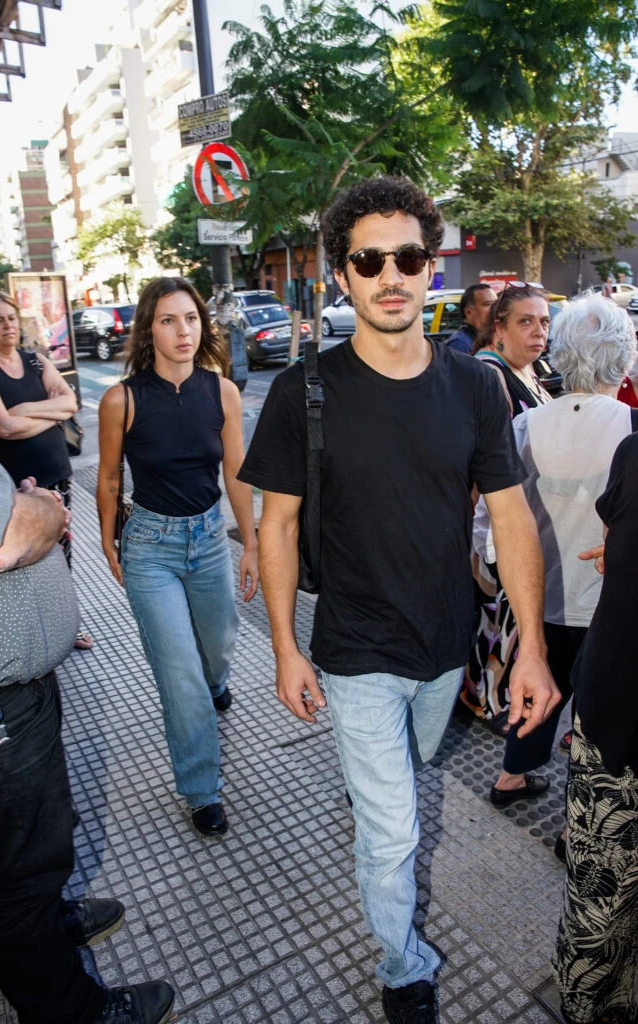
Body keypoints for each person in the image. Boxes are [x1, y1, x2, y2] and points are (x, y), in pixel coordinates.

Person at [237, 176, 559, 1024]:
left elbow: (512, 515)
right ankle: (400, 965)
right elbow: (274, 529)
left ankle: (368, 784)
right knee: (393, 831)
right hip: (352, 646)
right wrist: (283, 647)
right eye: (368, 259)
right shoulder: (303, 391)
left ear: (431, 270)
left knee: (402, 781)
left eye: (408, 256)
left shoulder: (473, 388)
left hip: (444, 643)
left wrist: (529, 647)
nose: (390, 274)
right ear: (341, 276)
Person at [0, 423, 174, 1024]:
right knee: (13, 884)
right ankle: (73, 1012)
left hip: (0, 703)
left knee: (35, 854)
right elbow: (0, 537)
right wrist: (42, 508)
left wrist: (12, 502)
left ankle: (50, 923)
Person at [97, 277, 258, 840]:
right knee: (179, 674)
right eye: (168, 320)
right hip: (150, 548)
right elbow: (110, 475)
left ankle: (218, 683)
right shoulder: (122, 398)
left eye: (190, 318)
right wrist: (106, 539)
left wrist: (252, 544)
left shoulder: (223, 392)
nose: (182, 330)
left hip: (211, 538)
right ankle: (201, 790)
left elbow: (236, 472)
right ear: (150, 329)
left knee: (217, 646)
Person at [488, 295, 637, 809]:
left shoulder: (526, 427)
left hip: (539, 594)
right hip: (609, 604)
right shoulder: (631, 430)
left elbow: (492, 519)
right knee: (597, 712)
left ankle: (511, 776)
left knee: (537, 682)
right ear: (622, 358)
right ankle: (577, 825)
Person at [552, 432, 638, 1024]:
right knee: (601, 887)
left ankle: (589, 1003)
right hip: (617, 705)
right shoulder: (632, 454)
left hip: (616, 701)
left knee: (600, 889)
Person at [0, 290, 93, 650]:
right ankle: (30, 635)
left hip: (55, 470)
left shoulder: (35, 362)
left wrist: (22, 411)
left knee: (62, 548)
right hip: (13, 484)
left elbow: (70, 401)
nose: (8, 326)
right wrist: (49, 415)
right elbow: (1, 427)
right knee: (23, 556)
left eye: (12, 318)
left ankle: (69, 624)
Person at [461, 283, 553, 730]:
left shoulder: (529, 370)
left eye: (544, 322)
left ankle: (488, 696)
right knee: (496, 617)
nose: (539, 332)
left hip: (515, 518)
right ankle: (489, 702)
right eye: (526, 321)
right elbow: (481, 463)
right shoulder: (490, 372)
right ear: (498, 328)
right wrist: (482, 541)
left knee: (503, 619)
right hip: (493, 524)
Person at [445, 283, 496, 354]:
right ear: (468, 312)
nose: (495, 308)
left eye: (496, 303)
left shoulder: (489, 338)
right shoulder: (460, 344)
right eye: (487, 304)